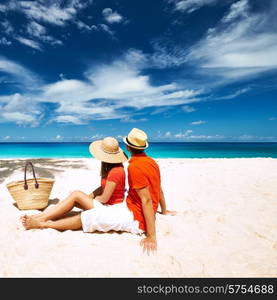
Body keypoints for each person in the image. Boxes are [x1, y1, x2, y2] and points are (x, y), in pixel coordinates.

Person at [22, 129, 174, 255]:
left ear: (127, 147)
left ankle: (42, 224)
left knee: (88, 217)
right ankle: (42, 218)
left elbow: (146, 200)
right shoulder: (151, 162)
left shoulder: (135, 167)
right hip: (129, 208)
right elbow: (159, 189)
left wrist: (152, 236)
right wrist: (164, 211)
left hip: (135, 218)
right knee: (82, 203)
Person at [21, 137, 128, 230]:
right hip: (106, 204)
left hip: (109, 207)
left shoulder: (116, 171)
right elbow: (102, 187)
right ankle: (41, 216)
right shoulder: (112, 168)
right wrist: (88, 197)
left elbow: (104, 199)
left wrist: (90, 199)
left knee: (76, 194)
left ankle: (41, 219)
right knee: (74, 198)